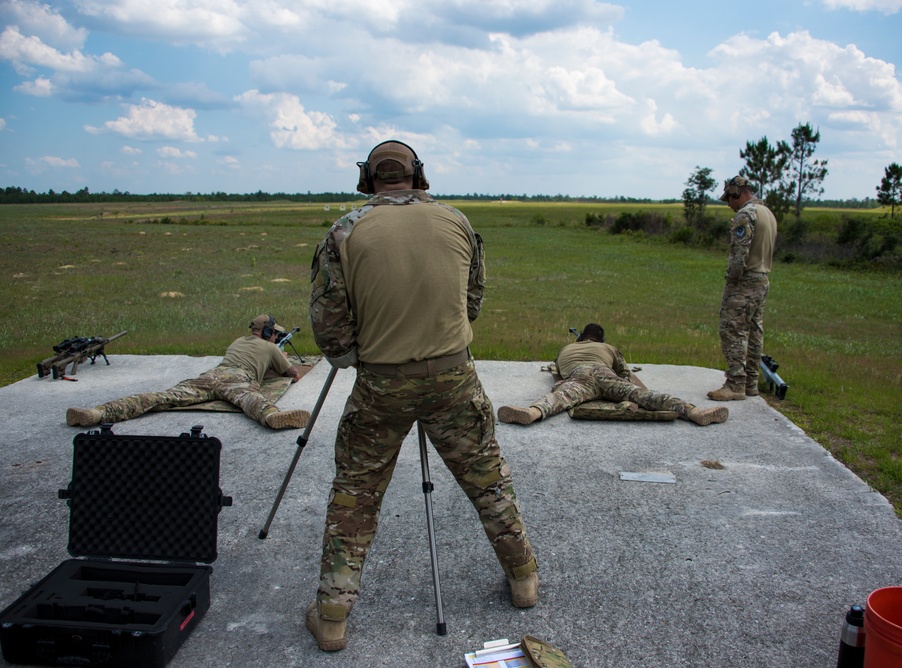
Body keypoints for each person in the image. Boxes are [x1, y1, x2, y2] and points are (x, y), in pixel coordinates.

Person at [306, 140, 537, 652]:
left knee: (356, 493)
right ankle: (523, 578)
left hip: (380, 384)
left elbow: (329, 325)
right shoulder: (456, 221)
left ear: (367, 178)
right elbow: (472, 301)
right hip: (453, 378)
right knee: (487, 480)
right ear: (419, 175)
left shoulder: (345, 229)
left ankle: (333, 616)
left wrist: (354, 355)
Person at [65, 314, 309, 429]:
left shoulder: (238, 340)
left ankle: (98, 413)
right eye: (274, 333)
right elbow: (294, 375)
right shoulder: (270, 346)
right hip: (237, 379)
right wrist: (282, 358)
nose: (276, 336)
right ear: (268, 333)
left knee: (161, 397)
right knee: (253, 400)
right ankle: (271, 417)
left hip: (209, 376)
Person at [496, 323, 728, 426]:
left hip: (579, 375)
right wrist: (624, 390)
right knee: (647, 397)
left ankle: (532, 412)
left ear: (581, 338)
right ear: (601, 340)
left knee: (560, 398)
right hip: (605, 373)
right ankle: (694, 412)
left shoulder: (566, 349)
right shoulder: (608, 349)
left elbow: (559, 371)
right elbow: (625, 372)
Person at [708, 176, 777, 401]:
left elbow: (740, 255)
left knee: (733, 330)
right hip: (762, 279)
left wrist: (732, 281)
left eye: (729, 198)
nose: (728, 203)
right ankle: (751, 383)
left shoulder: (746, 215)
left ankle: (735, 384)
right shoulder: (768, 213)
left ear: (737, 192)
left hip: (744, 282)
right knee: (754, 331)